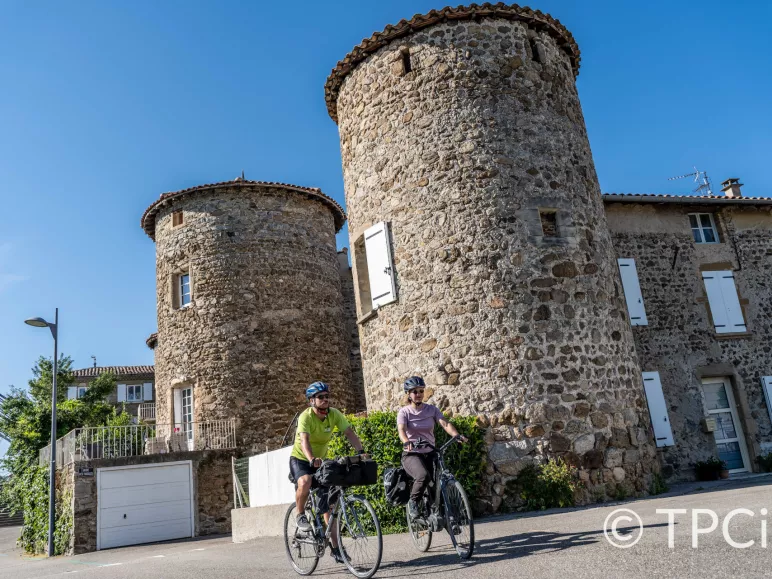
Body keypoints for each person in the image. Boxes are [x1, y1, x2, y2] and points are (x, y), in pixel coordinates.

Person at [290, 381, 367, 564]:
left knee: (328, 507)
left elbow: (349, 432)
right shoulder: (306, 417)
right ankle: (300, 514)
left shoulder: (334, 415)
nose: (325, 400)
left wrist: (360, 452)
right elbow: (304, 441)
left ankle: (336, 548)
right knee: (305, 481)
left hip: (320, 461)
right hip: (301, 459)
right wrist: (310, 459)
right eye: (320, 397)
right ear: (312, 401)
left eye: (327, 396)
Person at [397, 376, 467, 519]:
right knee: (423, 476)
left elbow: (445, 424)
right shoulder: (404, 412)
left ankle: (445, 519)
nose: (419, 394)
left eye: (421, 391)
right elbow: (401, 430)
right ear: (409, 394)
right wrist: (406, 441)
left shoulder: (431, 410)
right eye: (415, 391)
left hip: (430, 452)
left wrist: (457, 435)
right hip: (412, 454)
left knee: (437, 486)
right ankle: (413, 502)